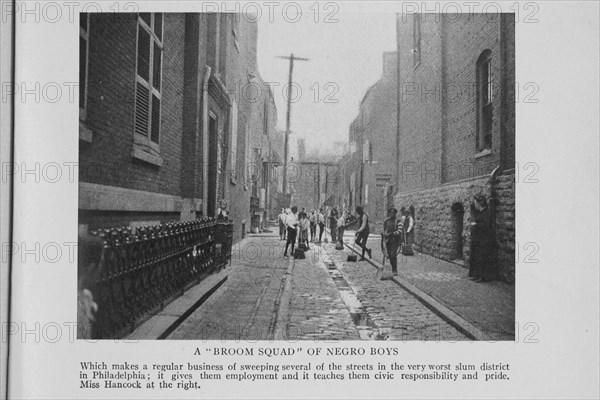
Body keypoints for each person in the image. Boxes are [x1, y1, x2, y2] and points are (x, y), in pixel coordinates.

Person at [469, 194, 496, 282]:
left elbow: (485, 226)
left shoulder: (486, 213)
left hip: (484, 241)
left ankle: (482, 277)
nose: (475, 204)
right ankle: (477, 275)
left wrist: (476, 225)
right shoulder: (481, 213)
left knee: (481, 259)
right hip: (479, 241)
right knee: (477, 258)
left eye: (475, 202)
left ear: (479, 203)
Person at [382, 206, 402, 276]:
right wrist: (384, 235)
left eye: (393, 212)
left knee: (393, 255)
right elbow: (385, 230)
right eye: (390, 212)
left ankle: (395, 269)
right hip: (388, 240)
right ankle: (390, 269)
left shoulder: (398, 221)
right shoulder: (386, 221)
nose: (391, 214)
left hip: (395, 240)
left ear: (395, 213)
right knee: (389, 255)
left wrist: (391, 234)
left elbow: (400, 231)